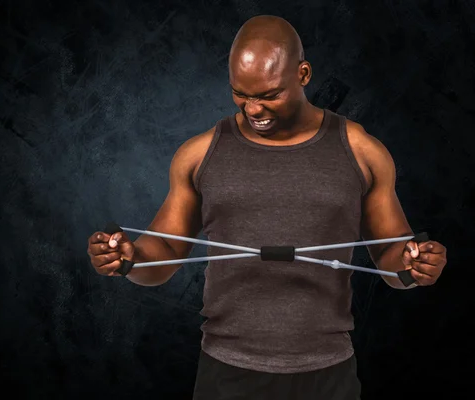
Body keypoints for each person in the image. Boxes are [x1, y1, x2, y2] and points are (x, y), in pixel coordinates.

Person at [86, 15, 447, 400]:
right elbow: (167, 253)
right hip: (226, 373)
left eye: (269, 95)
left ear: (303, 74)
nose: (253, 109)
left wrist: (413, 266)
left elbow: (391, 258)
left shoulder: (361, 152)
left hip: (327, 373)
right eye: (240, 94)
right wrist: (130, 259)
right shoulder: (198, 154)